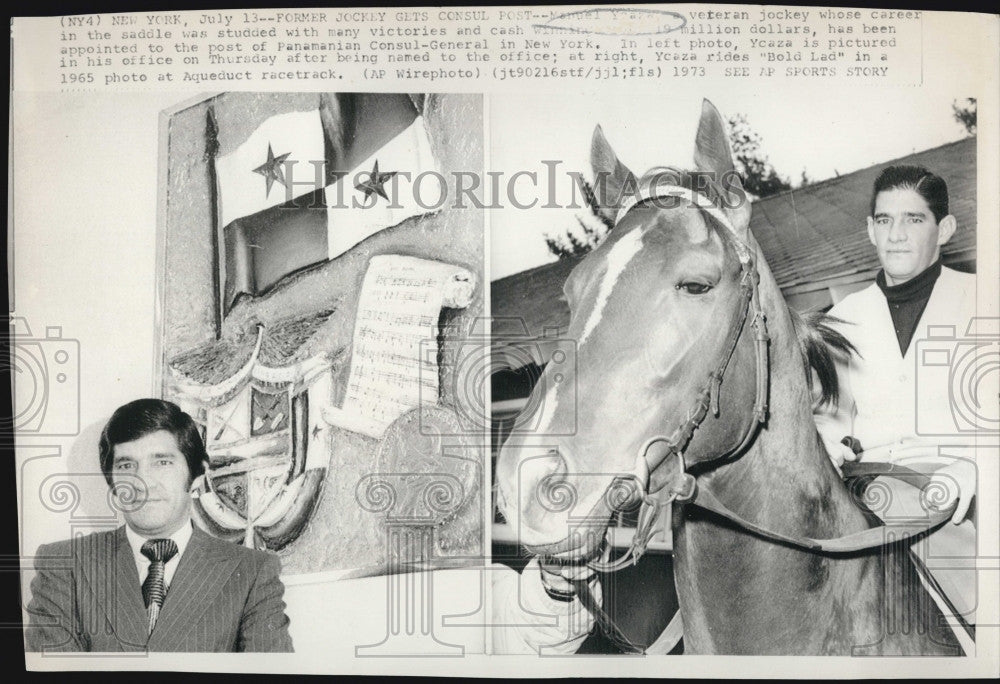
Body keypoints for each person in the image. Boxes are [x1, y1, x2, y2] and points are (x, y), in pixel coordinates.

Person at [814, 164, 979, 628]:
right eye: (885, 220)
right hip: (869, 491)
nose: (897, 235)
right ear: (869, 229)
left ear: (944, 229)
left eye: (914, 219)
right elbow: (830, 417)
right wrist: (827, 441)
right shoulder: (843, 317)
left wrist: (978, 466)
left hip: (963, 493)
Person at [24, 399, 294, 652]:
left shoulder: (251, 572)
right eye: (127, 465)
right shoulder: (64, 564)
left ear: (197, 476)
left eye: (162, 462)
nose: (144, 482)